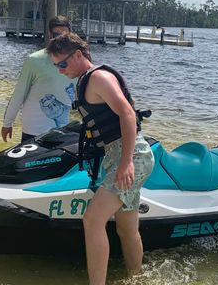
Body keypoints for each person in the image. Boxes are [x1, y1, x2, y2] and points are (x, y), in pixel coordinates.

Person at [47, 33, 154, 285]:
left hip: (131, 156)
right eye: (56, 66)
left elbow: (128, 114)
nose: (60, 70)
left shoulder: (98, 78)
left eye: (62, 64)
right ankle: (136, 279)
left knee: (93, 219)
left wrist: (125, 162)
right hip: (119, 155)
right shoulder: (87, 80)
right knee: (126, 229)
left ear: (77, 55)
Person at [1, 16, 76, 143]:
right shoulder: (34, 60)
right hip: (33, 131)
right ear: (49, 34)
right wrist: (8, 123)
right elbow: (19, 93)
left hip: (61, 133)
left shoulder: (75, 62)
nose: (60, 40)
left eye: (64, 36)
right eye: (56, 35)